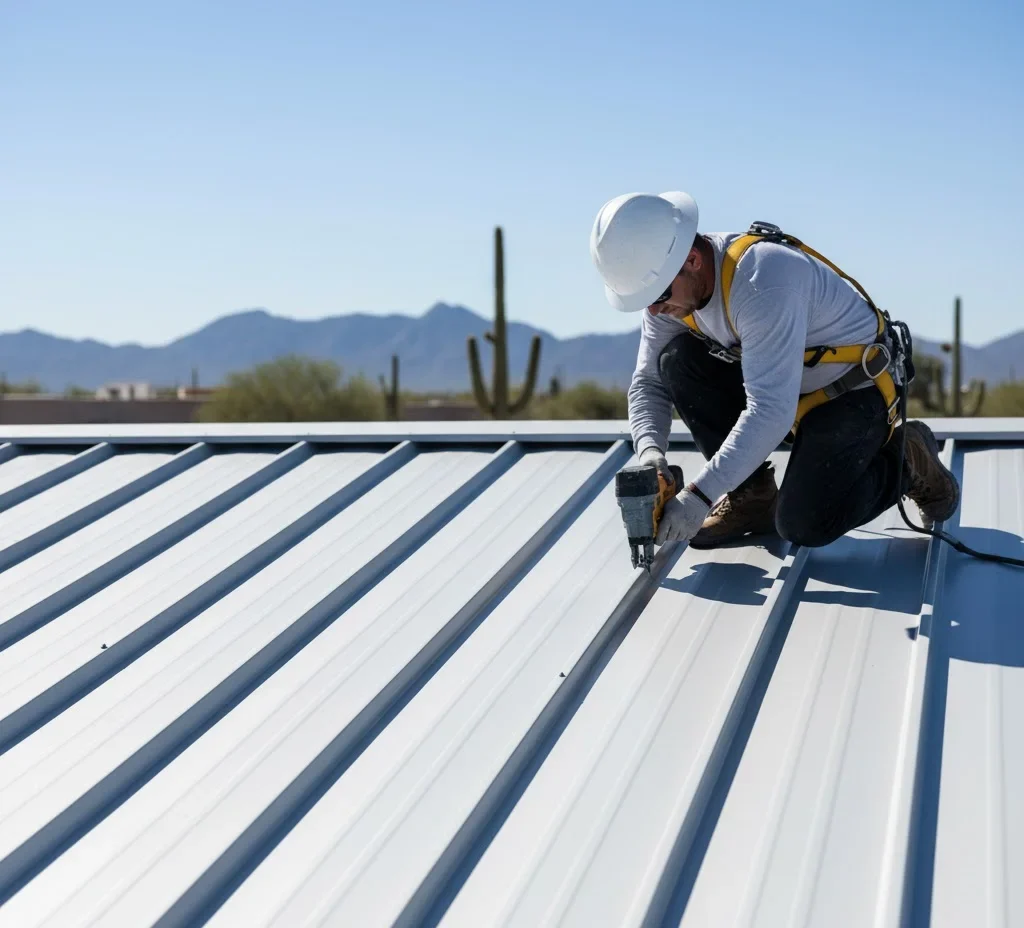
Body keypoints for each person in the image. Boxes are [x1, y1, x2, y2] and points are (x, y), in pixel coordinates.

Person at [589, 190, 960, 549]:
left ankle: (909, 458)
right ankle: (751, 498)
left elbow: (770, 411)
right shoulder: (670, 294)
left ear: (692, 260)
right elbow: (648, 381)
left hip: (853, 391)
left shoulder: (761, 280)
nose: (652, 311)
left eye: (657, 297)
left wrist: (699, 497)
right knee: (674, 359)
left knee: (803, 524)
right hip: (780, 388)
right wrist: (651, 454)